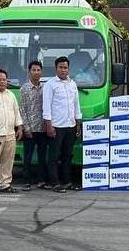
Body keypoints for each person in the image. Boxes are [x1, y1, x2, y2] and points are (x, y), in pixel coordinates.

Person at [42, 55, 82, 193]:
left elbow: (76, 105)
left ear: (68, 69)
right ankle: (55, 182)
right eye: (60, 67)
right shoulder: (50, 84)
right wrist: (49, 125)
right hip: (56, 127)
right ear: (56, 68)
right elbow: (46, 106)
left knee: (67, 155)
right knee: (54, 156)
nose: (63, 70)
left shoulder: (72, 84)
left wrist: (78, 123)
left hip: (70, 126)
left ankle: (67, 181)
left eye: (65, 68)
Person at [18, 60, 49, 190]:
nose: (36, 72)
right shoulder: (24, 89)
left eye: (38, 70)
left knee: (42, 156)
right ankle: (26, 180)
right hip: (30, 129)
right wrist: (26, 127)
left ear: (41, 72)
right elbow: (22, 109)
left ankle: (41, 180)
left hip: (43, 128)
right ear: (29, 72)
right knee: (28, 156)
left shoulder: (46, 87)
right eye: (33, 70)